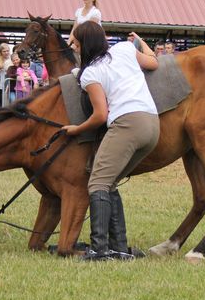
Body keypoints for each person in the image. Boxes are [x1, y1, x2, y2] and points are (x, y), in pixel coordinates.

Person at [61, 22, 159, 261]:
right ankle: (119, 248)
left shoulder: (90, 73)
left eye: (75, 43)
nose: (73, 47)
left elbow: (100, 115)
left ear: (85, 44)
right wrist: (141, 42)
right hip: (152, 125)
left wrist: (77, 129)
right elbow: (153, 62)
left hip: (127, 123)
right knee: (110, 181)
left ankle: (99, 250)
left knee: (97, 182)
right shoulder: (125, 49)